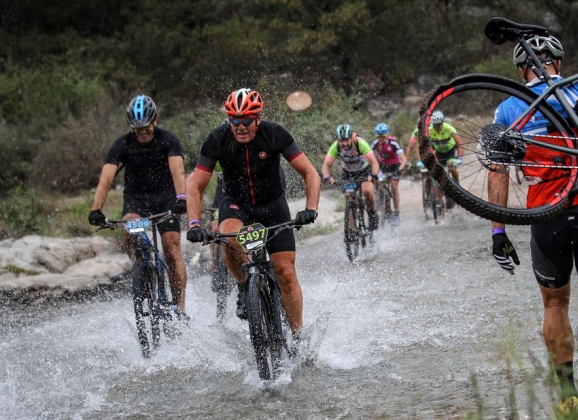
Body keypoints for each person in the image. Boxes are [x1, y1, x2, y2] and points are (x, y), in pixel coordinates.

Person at [487, 34, 578, 414]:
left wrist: (498, 232)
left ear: (522, 69)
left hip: (545, 217)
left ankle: (568, 398)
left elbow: (497, 174)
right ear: (559, 61)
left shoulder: (508, 109)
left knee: (555, 306)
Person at [184, 88, 320, 341]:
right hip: (237, 203)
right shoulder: (217, 138)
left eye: (246, 121)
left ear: (257, 118)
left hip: (273, 205)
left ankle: (298, 333)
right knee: (227, 235)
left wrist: (310, 209)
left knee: (286, 272)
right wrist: (193, 224)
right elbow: (195, 185)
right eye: (234, 121)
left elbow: (310, 173)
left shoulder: (275, 133)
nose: (240, 127)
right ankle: (245, 287)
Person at [88, 94, 189, 318]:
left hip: (166, 198)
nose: (143, 132)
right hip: (136, 200)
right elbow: (106, 178)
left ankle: (180, 306)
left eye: (146, 127)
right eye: (137, 128)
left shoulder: (168, 140)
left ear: (155, 120)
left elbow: (178, 172)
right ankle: (141, 268)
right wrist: (96, 209)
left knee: (171, 248)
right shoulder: (122, 144)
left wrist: (181, 199)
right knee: (128, 228)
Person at [321, 124, 381, 230]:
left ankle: (372, 214)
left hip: (364, 170)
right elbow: (326, 165)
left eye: (346, 140)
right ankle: (351, 229)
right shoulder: (335, 147)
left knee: (367, 190)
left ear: (351, 137)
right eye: (341, 140)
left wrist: (374, 175)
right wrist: (327, 176)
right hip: (348, 173)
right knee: (349, 197)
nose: (344, 143)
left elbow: (374, 162)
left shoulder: (360, 143)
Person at [370, 123, 408, 226]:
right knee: (374, 178)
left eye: (383, 136)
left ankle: (396, 213)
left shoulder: (393, 143)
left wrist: (400, 169)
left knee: (394, 185)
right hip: (383, 166)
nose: (381, 139)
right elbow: (367, 155)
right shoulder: (375, 143)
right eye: (379, 136)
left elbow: (404, 158)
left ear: (387, 135)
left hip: (395, 166)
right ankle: (379, 196)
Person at [427, 110, 464, 185]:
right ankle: (438, 194)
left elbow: (460, 144)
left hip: (451, 151)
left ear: (442, 122)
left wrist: (459, 158)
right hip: (439, 152)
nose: (437, 127)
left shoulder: (449, 128)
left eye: (438, 125)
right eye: (435, 125)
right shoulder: (429, 130)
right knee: (435, 173)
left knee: (452, 169)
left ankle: (457, 186)